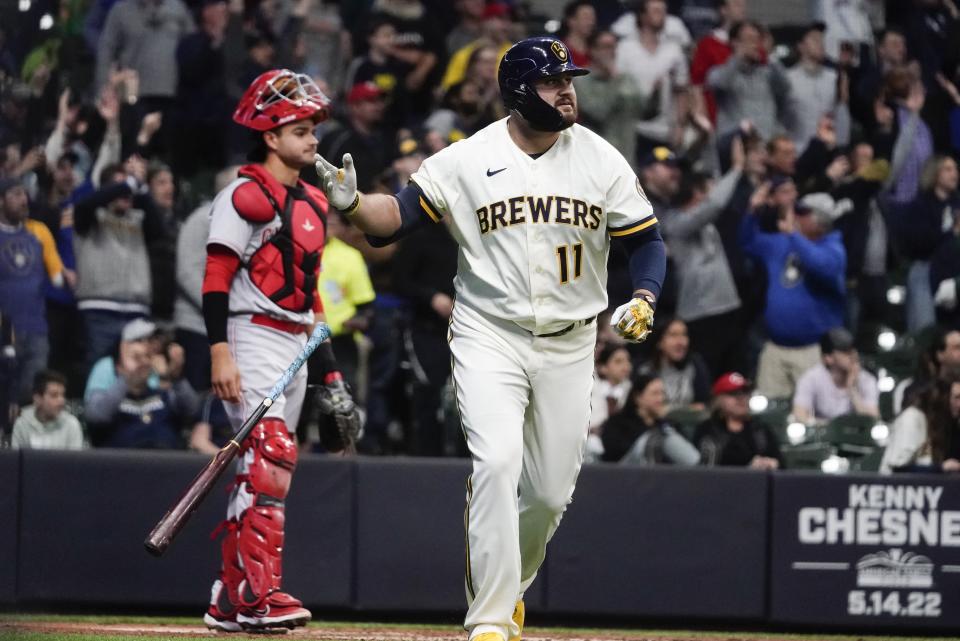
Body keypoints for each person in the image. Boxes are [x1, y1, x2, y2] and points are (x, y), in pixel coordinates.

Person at [314, 36, 666, 641]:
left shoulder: (601, 157)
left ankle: (511, 588)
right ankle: (490, 621)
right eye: (553, 82)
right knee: (497, 462)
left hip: (571, 341)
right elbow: (392, 221)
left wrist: (645, 296)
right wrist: (352, 205)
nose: (567, 90)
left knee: (551, 495)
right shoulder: (466, 159)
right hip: (488, 333)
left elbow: (646, 242)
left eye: (568, 79)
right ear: (520, 92)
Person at [200, 69, 353, 632]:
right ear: (270, 135)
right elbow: (216, 275)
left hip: (294, 338)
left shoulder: (313, 198)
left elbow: (311, 293)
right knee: (269, 455)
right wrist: (219, 349)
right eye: (302, 130)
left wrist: (329, 374)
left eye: (313, 129)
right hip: (251, 331)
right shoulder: (244, 196)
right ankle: (257, 596)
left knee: (263, 469)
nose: (313, 140)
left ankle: (230, 597)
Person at [600, 373, 700, 465]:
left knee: (667, 433)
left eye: (662, 393)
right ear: (638, 397)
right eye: (655, 394)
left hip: (663, 477)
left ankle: (701, 468)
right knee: (655, 439)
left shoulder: (667, 424)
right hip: (624, 474)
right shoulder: (618, 422)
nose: (661, 399)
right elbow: (611, 453)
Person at [694, 372, 782, 469]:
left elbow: (782, 465)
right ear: (718, 399)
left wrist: (773, 464)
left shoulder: (760, 429)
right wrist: (748, 469)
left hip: (761, 482)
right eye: (733, 393)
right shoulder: (707, 429)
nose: (741, 398)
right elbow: (706, 471)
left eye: (745, 392)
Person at [792, 327, 879, 424]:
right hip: (823, 435)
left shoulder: (866, 380)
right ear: (828, 358)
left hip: (857, 435)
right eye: (846, 352)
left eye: (853, 350)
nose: (853, 355)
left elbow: (873, 421)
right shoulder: (811, 378)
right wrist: (833, 428)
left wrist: (852, 390)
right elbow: (799, 416)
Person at [881, 376, 960, 474]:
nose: (959, 404)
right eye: (956, 397)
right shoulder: (912, 417)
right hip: (894, 486)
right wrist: (940, 468)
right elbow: (897, 469)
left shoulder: (944, 426)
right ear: (941, 397)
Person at [11, 369, 85, 450]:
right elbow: (17, 461)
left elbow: (74, 461)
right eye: (54, 395)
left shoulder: (71, 425)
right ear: (37, 399)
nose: (61, 401)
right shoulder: (22, 424)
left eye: (62, 395)